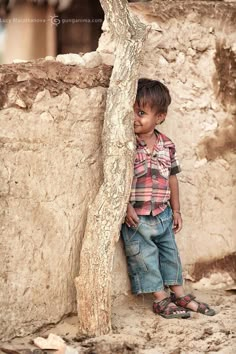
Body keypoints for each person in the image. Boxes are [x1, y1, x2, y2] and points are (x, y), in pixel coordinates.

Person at [121, 78, 215, 319]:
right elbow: (119, 178)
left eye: (141, 112)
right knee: (144, 257)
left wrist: (177, 210)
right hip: (137, 217)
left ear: (159, 117)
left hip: (162, 214)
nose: (134, 118)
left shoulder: (167, 146)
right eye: (131, 111)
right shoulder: (126, 145)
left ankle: (179, 293)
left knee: (170, 254)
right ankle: (160, 299)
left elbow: (172, 178)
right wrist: (126, 205)